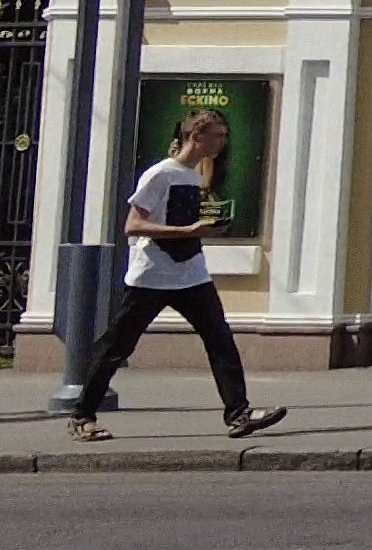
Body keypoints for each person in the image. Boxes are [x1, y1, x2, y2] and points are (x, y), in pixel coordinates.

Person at [62, 108, 282, 443]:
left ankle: (239, 413)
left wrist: (207, 229)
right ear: (197, 136)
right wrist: (188, 229)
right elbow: (133, 226)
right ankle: (82, 416)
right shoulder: (160, 174)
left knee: (220, 339)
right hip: (151, 275)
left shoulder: (194, 176)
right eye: (218, 135)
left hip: (190, 273)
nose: (222, 142)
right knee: (117, 347)